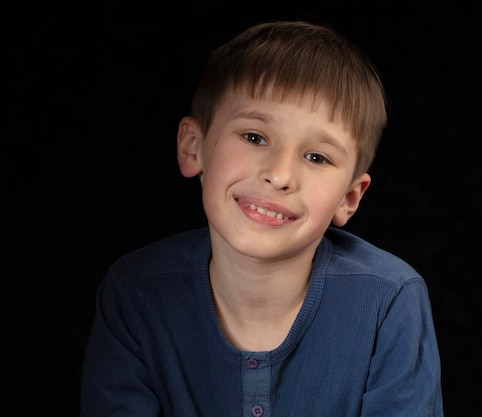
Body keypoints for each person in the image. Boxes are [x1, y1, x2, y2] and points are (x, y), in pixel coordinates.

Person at [80, 20, 444, 417]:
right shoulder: (135, 293)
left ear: (350, 197)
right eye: (254, 137)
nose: (280, 175)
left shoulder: (388, 300)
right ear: (192, 147)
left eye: (317, 157)